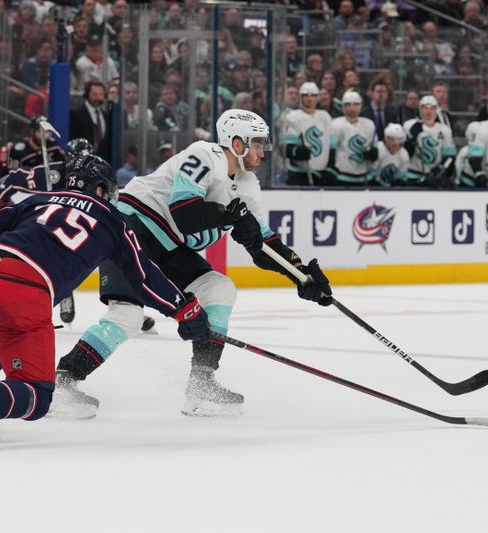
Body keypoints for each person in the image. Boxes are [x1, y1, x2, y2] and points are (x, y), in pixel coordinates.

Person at [53, 110, 333, 418]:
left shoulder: (248, 186)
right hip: (134, 227)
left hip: (171, 246)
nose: (262, 151)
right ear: (236, 143)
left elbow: (263, 244)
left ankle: (201, 385)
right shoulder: (205, 155)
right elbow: (185, 211)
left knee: (219, 288)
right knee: (128, 314)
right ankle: (64, 381)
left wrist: (300, 273)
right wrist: (229, 215)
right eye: (256, 143)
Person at [0, 154, 211, 449]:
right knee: (39, 395)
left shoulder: (39, 200)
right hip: (26, 290)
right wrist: (183, 308)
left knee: (1, 338)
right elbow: (143, 275)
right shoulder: (112, 221)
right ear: (99, 189)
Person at [283, 82, 333, 185]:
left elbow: (331, 143)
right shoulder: (293, 116)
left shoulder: (325, 116)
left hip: (322, 173)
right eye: (306, 95)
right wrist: (297, 152)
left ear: (318, 97)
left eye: (313, 95)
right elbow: (287, 148)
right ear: (301, 97)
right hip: (299, 174)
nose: (309, 99)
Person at [403, 95, 457, 187]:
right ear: (420, 109)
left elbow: (450, 157)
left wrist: (440, 170)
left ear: (436, 110)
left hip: (435, 177)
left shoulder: (444, 130)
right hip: (412, 175)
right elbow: (404, 154)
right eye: (425, 108)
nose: (428, 111)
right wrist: (411, 139)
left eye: (432, 108)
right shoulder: (409, 125)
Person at [329, 90, 378, 185]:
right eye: (348, 104)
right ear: (343, 106)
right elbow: (331, 151)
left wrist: (373, 153)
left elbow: (374, 146)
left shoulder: (369, 124)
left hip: (364, 176)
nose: (352, 108)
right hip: (342, 176)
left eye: (355, 104)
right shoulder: (335, 124)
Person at [70, 81, 111, 162]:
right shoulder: (76, 114)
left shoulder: (106, 116)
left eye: (101, 94)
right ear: (87, 95)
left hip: (102, 162)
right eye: (94, 94)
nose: (98, 98)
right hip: (83, 161)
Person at [375, 123, 409, 187]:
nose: (395, 142)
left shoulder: (404, 154)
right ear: (385, 139)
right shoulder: (379, 148)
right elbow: (372, 174)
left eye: (398, 139)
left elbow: (401, 176)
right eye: (391, 139)